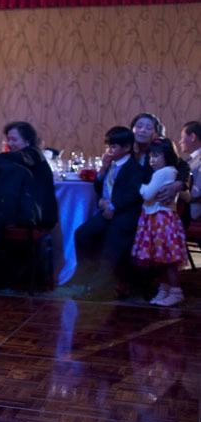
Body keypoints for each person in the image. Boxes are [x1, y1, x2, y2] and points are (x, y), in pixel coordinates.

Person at [0, 121, 59, 284]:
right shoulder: (18, 160)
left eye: (14, 139)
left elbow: (19, 158)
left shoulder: (34, 154)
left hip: (39, 214)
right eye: (9, 139)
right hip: (28, 211)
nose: (10, 143)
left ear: (27, 141)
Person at [74, 126, 144, 301]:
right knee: (82, 234)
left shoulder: (134, 168)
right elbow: (100, 188)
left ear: (127, 148)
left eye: (113, 147)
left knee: (111, 244)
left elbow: (132, 195)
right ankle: (87, 278)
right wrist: (103, 171)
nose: (109, 151)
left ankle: (98, 290)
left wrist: (112, 207)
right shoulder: (111, 166)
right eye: (108, 146)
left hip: (124, 215)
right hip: (107, 212)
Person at [131, 139, 188, 306]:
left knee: (168, 260)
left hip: (161, 221)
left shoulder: (163, 173)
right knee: (162, 259)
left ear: (167, 156)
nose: (152, 160)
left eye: (156, 156)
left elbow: (148, 194)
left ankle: (176, 291)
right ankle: (165, 288)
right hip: (158, 219)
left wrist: (140, 186)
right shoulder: (169, 171)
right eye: (151, 156)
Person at [179, 121, 201, 221]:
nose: (179, 141)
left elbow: (196, 192)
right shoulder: (190, 159)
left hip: (194, 215)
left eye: (182, 137)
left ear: (192, 137)